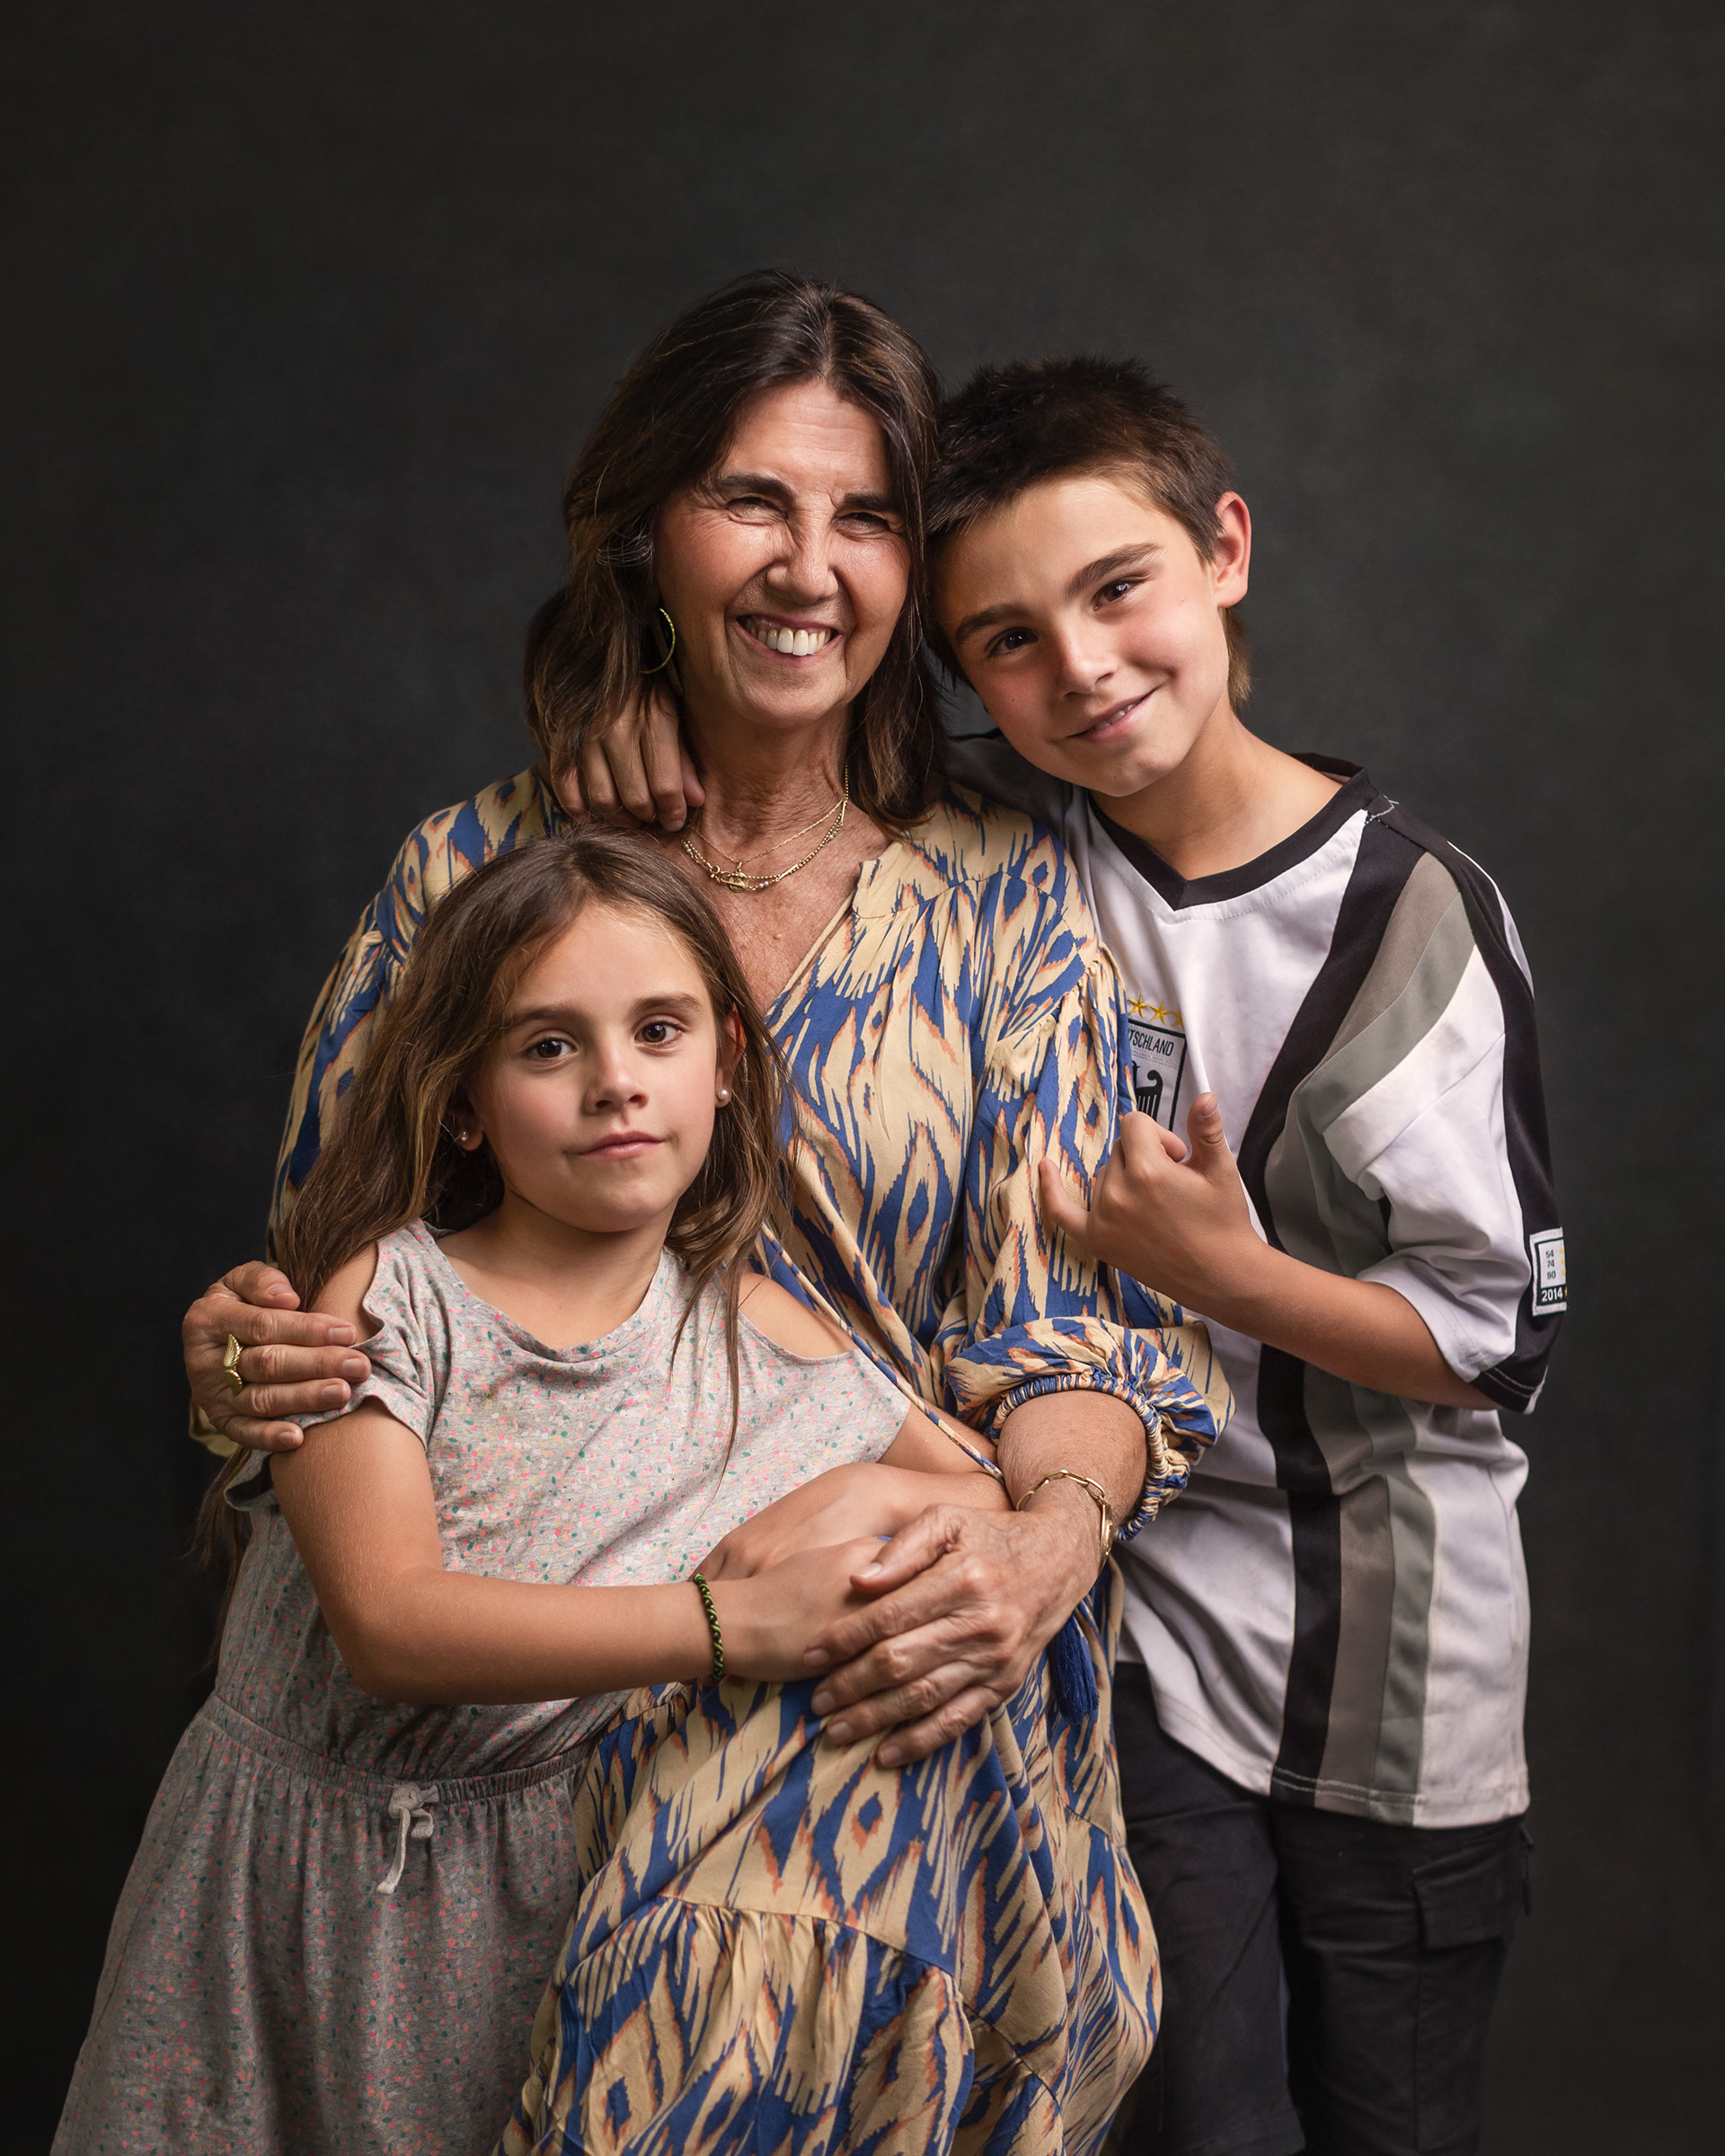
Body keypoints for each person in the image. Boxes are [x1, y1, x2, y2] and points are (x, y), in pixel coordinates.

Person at [173, 277, 1234, 2151]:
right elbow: (341, 1294)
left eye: (868, 516)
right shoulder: (479, 869)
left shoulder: (1005, 900)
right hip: (493, 1686)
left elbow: (1078, 1338)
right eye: (754, 501)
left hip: (871, 1638)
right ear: (646, 529)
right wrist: (243, 1357)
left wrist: (1044, 1550)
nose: (810, 567)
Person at [60, 828, 1013, 2152]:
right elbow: (394, 1625)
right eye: (549, 1047)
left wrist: (851, 1504)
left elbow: (990, 1498)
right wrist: (734, 1621)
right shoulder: (389, 1298)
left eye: (660, 1031)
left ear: (729, 1066)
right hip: (293, 1895)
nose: (616, 1083)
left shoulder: (759, 1334)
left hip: (553, 1900)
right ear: (466, 1103)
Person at [924, 358, 1563, 2156]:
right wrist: (636, 715)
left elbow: (1497, 1338)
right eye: (1009, 640)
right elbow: (781, 754)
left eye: (1116, 587)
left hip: (1396, 1675)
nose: (1081, 668)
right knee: (1190, 2116)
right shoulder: (1005, 841)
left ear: (1223, 550)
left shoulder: (1414, 918)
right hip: (1136, 1633)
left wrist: (1227, 1272)